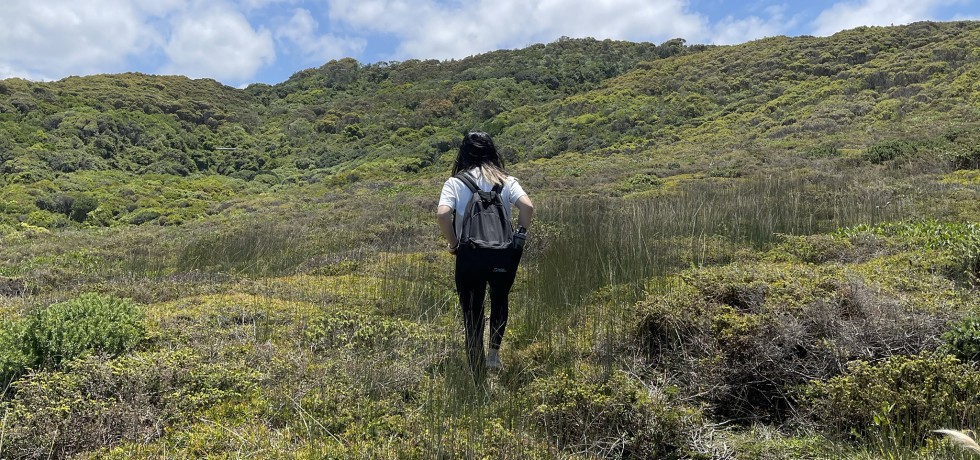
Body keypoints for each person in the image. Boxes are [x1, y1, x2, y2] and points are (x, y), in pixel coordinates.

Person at [436, 131, 534, 375]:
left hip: (469, 255)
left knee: (472, 310)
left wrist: (454, 244)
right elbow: (527, 207)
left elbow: (442, 214)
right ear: (492, 152)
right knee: (499, 299)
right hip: (501, 253)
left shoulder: (456, 183)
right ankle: (493, 355)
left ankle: (475, 367)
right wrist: (518, 239)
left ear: (464, 153)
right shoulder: (506, 181)